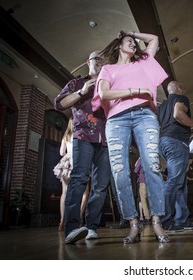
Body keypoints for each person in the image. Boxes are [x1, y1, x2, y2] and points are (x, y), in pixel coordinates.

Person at [93, 30, 170, 243]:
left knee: (152, 164)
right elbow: (104, 94)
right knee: (119, 171)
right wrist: (135, 90)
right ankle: (133, 223)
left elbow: (154, 39)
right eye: (129, 42)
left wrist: (130, 32)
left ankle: (156, 221)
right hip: (117, 119)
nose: (134, 44)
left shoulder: (143, 62)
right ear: (119, 45)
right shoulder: (108, 69)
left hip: (145, 114)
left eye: (135, 43)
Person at [54, 51, 111, 244]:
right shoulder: (76, 83)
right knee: (78, 179)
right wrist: (81, 92)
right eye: (97, 58)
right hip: (83, 136)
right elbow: (59, 104)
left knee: (100, 185)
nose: (101, 62)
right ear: (88, 61)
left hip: (106, 140)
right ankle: (72, 228)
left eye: (104, 60)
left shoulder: (110, 82)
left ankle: (92, 227)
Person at [157, 81, 193, 232]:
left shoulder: (162, 106)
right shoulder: (181, 98)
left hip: (164, 143)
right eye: (182, 87)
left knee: (180, 183)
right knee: (173, 181)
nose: (184, 90)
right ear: (177, 89)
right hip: (176, 143)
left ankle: (182, 220)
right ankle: (164, 221)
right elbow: (178, 114)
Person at [53, 118, 74, 231]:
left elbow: (61, 152)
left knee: (64, 192)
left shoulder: (66, 136)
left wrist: (68, 155)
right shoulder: (80, 133)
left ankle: (62, 220)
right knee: (79, 192)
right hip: (77, 162)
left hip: (66, 162)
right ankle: (75, 219)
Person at [134, 157, 151, 224]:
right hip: (152, 181)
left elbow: (136, 170)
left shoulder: (141, 158)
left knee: (143, 199)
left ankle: (147, 217)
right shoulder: (151, 157)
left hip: (143, 180)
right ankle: (155, 216)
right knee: (151, 199)